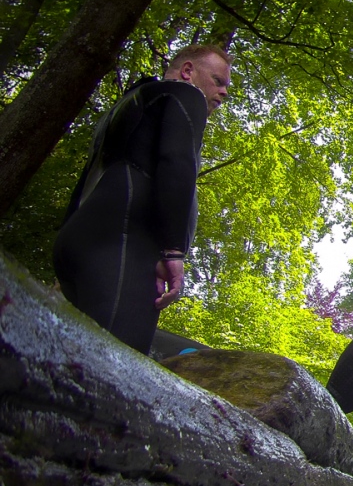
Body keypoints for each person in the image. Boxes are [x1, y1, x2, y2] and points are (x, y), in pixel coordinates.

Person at [52, 44, 232, 352]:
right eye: (218, 80)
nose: (224, 92)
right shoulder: (185, 95)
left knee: (66, 355)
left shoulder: (131, 106)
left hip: (82, 240)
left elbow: (90, 182)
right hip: (123, 241)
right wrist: (174, 252)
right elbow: (176, 163)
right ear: (188, 71)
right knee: (115, 361)